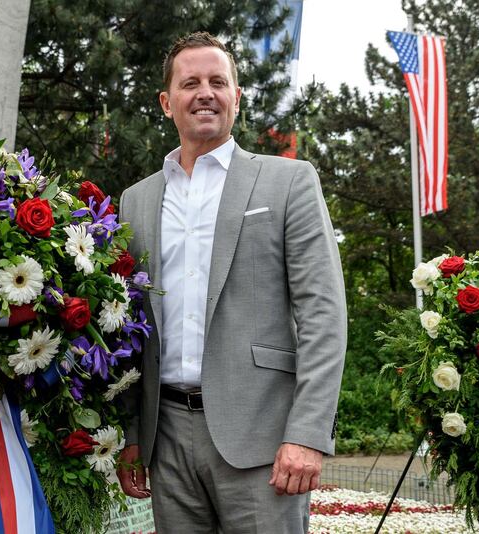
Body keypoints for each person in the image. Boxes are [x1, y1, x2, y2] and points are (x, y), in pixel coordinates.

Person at [115, 31, 347, 533]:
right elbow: (131, 329)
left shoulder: (289, 182)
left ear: (237, 97)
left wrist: (307, 434)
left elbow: (323, 315)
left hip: (264, 441)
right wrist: (133, 432)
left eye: (218, 81)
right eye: (190, 82)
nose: (205, 92)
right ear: (166, 101)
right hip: (167, 439)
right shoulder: (135, 201)